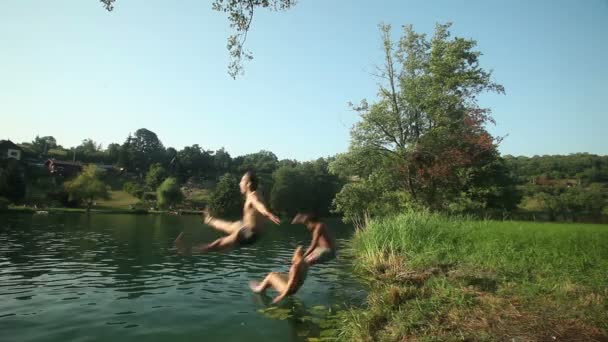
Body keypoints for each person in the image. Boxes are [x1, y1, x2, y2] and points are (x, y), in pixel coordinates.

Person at [175, 171, 281, 253]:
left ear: (248, 184)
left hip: (249, 234)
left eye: (242, 181)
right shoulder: (255, 193)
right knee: (232, 225)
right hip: (247, 229)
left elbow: (259, 205)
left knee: (217, 244)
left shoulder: (253, 196)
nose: (240, 183)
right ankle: (210, 220)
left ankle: (189, 250)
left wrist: (267, 213)